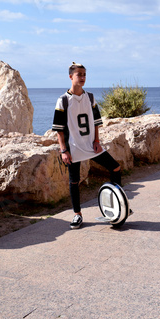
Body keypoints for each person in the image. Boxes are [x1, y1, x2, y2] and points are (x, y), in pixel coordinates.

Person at [52, 62, 123, 229]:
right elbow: (59, 130)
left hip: (91, 146)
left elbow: (97, 122)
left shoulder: (90, 97)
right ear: (71, 77)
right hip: (74, 147)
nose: (83, 77)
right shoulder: (63, 100)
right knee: (74, 181)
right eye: (79, 74)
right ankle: (77, 215)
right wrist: (63, 150)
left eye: (84, 74)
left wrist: (97, 141)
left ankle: (117, 206)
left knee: (116, 168)